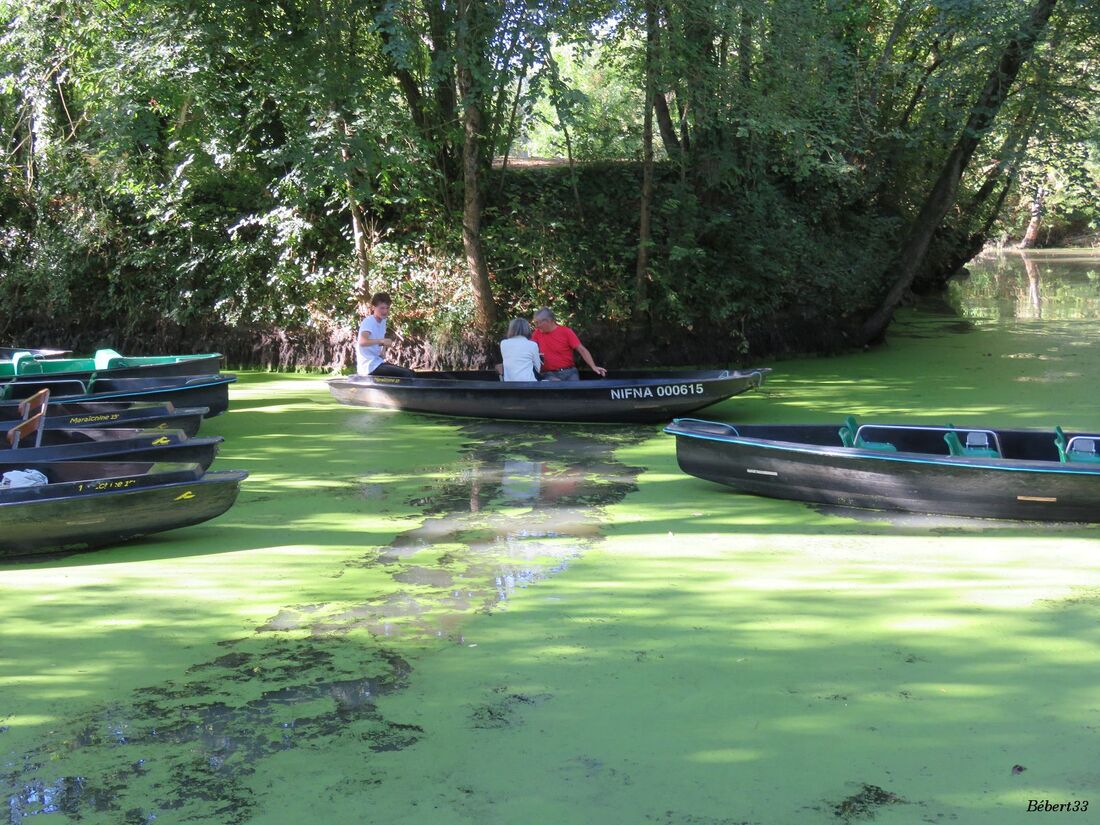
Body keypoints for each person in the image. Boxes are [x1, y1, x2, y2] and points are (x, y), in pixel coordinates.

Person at [530, 308, 606, 381]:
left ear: (549, 321)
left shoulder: (566, 332)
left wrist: (593, 366)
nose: (537, 326)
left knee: (574, 390)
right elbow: (528, 352)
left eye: (538, 322)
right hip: (549, 374)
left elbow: (581, 349)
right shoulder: (536, 334)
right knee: (555, 385)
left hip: (569, 372)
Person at [357, 292, 416, 377]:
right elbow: (362, 342)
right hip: (368, 367)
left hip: (377, 362)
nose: (385, 311)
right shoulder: (369, 322)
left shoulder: (383, 321)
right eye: (382, 308)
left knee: (410, 372)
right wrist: (382, 341)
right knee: (407, 374)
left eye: (387, 308)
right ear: (373, 308)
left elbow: (379, 340)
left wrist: (383, 349)